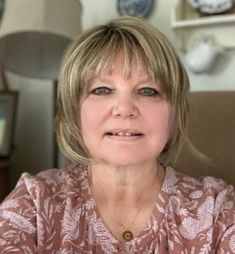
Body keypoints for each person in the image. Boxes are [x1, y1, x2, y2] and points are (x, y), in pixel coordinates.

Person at [0, 16, 235, 253]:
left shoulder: (216, 211)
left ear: (175, 116)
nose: (124, 109)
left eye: (148, 90)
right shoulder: (34, 204)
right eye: (102, 89)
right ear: (74, 113)